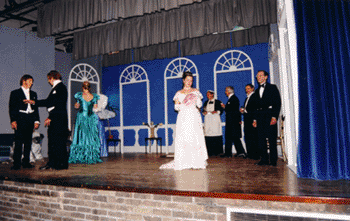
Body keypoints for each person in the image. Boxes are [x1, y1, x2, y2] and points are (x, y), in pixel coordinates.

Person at [160, 71, 208, 170]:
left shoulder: (196, 91)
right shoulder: (178, 93)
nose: (189, 82)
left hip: (194, 116)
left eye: (191, 80)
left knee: (195, 137)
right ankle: (184, 161)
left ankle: (197, 161)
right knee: (184, 137)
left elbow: (199, 105)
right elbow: (176, 107)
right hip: (183, 116)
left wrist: (195, 99)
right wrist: (185, 104)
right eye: (187, 80)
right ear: (183, 80)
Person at [37, 70, 69, 170]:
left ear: (52, 78)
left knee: (57, 142)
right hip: (57, 118)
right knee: (55, 142)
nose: (48, 82)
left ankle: (58, 164)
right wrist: (35, 103)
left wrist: (50, 117)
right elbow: (50, 102)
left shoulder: (61, 88)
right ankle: (54, 164)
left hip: (58, 119)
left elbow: (57, 104)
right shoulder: (57, 88)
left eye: (48, 79)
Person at [9, 75, 40, 170]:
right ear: (24, 81)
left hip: (30, 118)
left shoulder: (34, 93)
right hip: (20, 118)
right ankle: (16, 163)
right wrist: (13, 120)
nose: (32, 83)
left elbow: (36, 108)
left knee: (28, 142)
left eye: (32, 81)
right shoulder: (15, 93)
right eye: (30, 81)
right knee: (18, 142)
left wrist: (36, 120)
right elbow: (12, 108)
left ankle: (26, 162)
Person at [68, 81, 102, 164]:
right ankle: (83, 155)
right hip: (82, 118)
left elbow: (95, 107)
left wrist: (97, 107)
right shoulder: (80, 96)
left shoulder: (93, 97)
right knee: (83, 136)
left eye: (86, 88)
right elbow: (77, 106)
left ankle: (88, 155)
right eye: (84, 87)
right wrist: (77, 104)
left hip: (89, 118)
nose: (85, 89)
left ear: (87, 88)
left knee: (88, 137)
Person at [253, 70, 281, 166]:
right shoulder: (256, 91)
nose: (259, 77)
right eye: (257, 76)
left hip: (269, 115)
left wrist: (274, 117)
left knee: (272, 139)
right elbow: (255, 107)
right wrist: (255, 119)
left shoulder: (272, 88)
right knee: (261, 140)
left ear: (266, 77)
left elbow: (277, 103)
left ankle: (273, 160)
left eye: (261, 75)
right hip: (260, 117)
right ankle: (264, 159)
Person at [221, 86, 246, 158]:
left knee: (234, 137)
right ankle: (229, 153)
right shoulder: (232, 99)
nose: (225, 92)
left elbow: (232, 110)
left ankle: (240, 152)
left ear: (229, 91)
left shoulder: (234, 99)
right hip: (231, 121)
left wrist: (224, 107)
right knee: (230, 137)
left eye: (226, 90)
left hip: (232, 122)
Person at [240, 84, 259, 160]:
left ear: (252, 89)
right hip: (247, 119)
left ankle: (255, 154)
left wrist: (255, 120)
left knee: (253, 137)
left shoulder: (254, 96)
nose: (247, 90)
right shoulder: (247, 98)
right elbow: (247, 108)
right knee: (248, 137)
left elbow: (255, 109)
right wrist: (243, 110)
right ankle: (250, 153)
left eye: (248, 88)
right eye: (246, 88)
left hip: (252, 120)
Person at [202, 90, 224, 156]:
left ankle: (218, 152)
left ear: (212, 95)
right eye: (207, 95)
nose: (208, 96)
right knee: (208, 134)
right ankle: (209, 151)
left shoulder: (218, 102)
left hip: (215, 120)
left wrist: (216, 111)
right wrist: (204, 112)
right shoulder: (206, 102)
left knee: (216, 133)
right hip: (208, 120)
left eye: (209, 94)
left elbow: (221, 110)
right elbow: (204, 110)